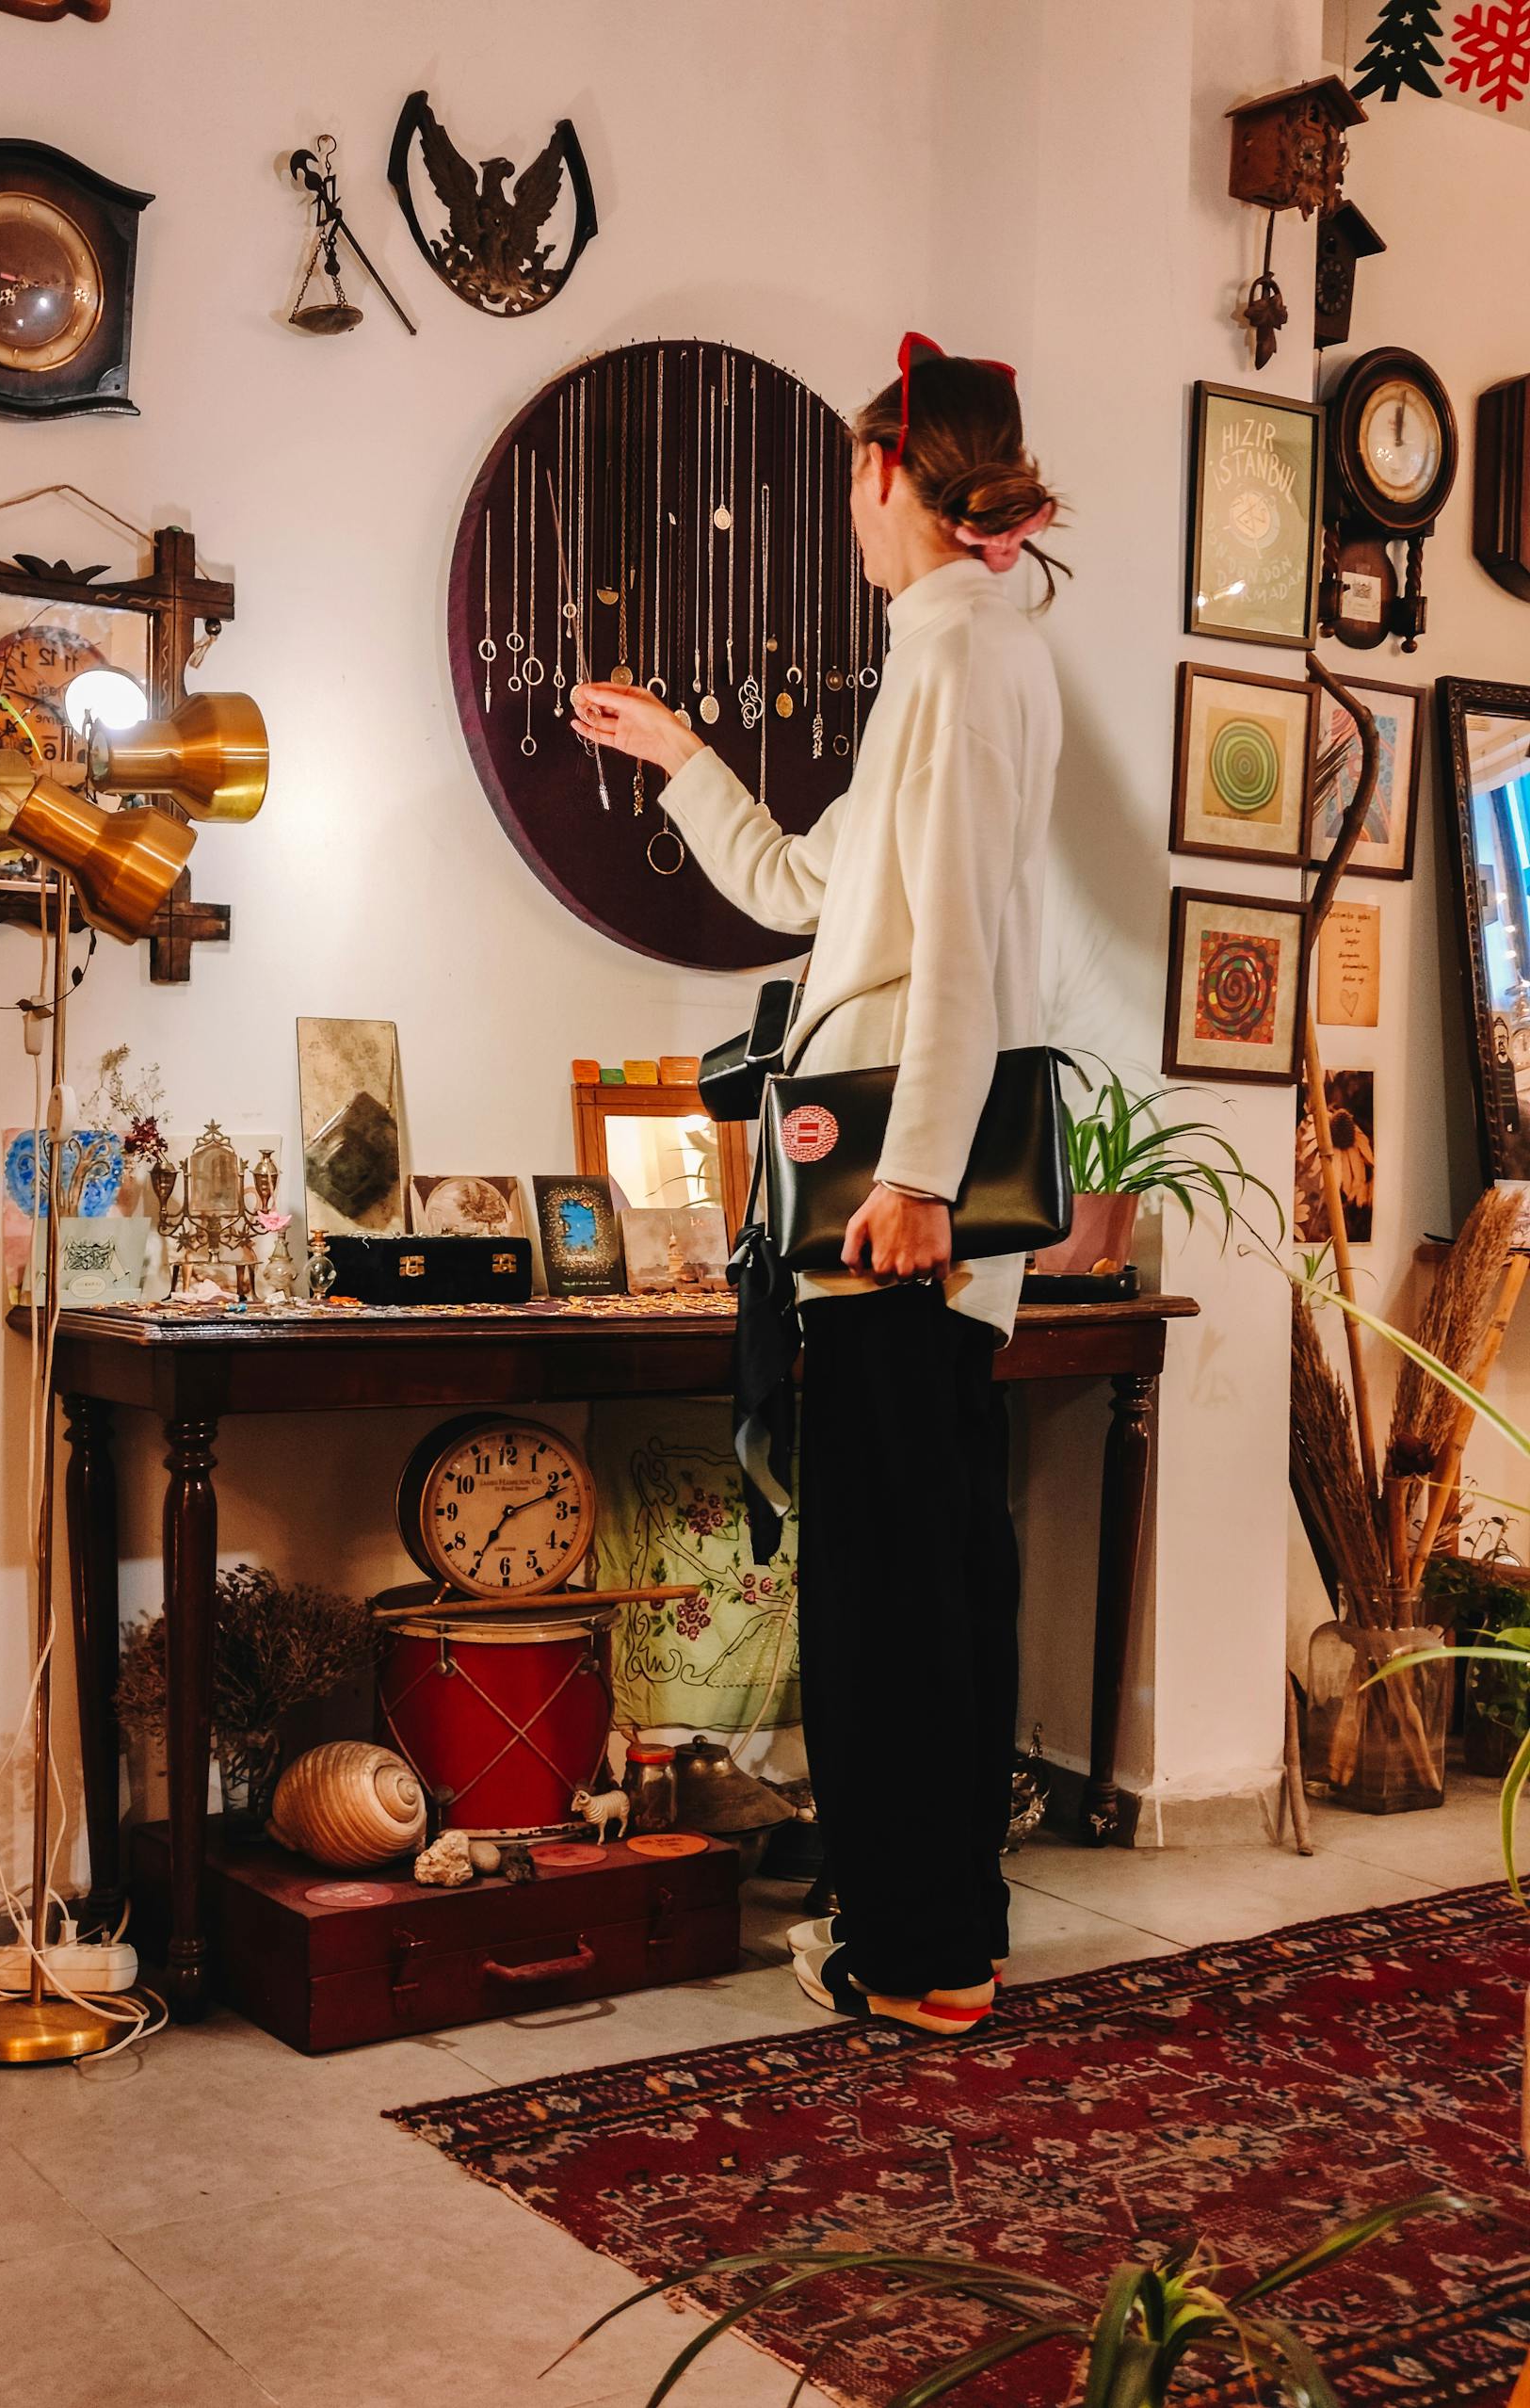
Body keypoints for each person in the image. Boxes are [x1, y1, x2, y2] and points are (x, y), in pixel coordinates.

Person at [571, 335, 1065, 2038]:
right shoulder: (962, 653)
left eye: (847, 482)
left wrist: (917, 1175)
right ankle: (941, 1935)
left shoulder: (956, 660)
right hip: (893, 1208)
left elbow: (967, 955)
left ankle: (916, 1948)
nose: (842, 513)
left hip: (892, 1216)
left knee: (887, 1590)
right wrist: (681, 753)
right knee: (924, 1574)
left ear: (882, 475)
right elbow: (813, 883)